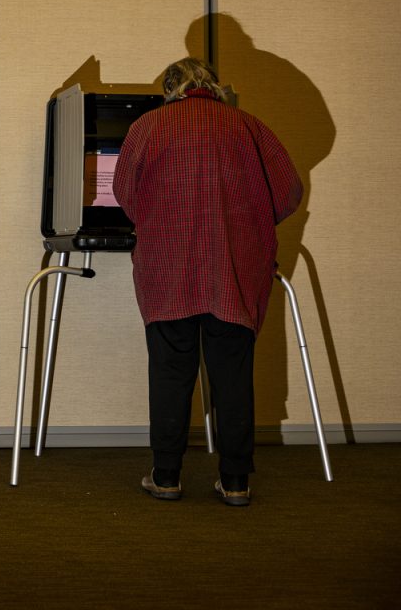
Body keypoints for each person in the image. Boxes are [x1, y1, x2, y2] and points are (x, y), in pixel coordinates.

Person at [113, 57, 303, 507]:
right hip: (233, 269)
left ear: (170, 90)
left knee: (170, 370)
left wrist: (156, 220)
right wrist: (252, 225)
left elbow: (123, 191)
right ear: (215, 88)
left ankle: (166, 476)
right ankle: (236, 481)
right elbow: (290, 190)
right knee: (232, 373)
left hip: (168, 269)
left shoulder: (148, 127)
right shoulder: (249, 126)